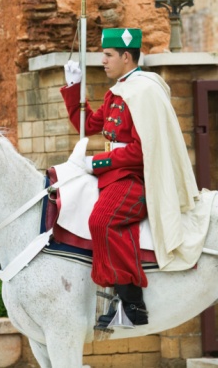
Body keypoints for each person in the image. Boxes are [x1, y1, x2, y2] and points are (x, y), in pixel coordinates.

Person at [60, 27, 200, 330]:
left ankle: (132, 303)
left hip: (139, 178)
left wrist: (97, 161)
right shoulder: (119, 92)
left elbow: (141, 152)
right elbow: (85, 125)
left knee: (103, 220)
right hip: (116, 175)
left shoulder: (144, 90)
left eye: (108, 55)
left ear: (126, 56)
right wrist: (74, 87)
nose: (103, 61)